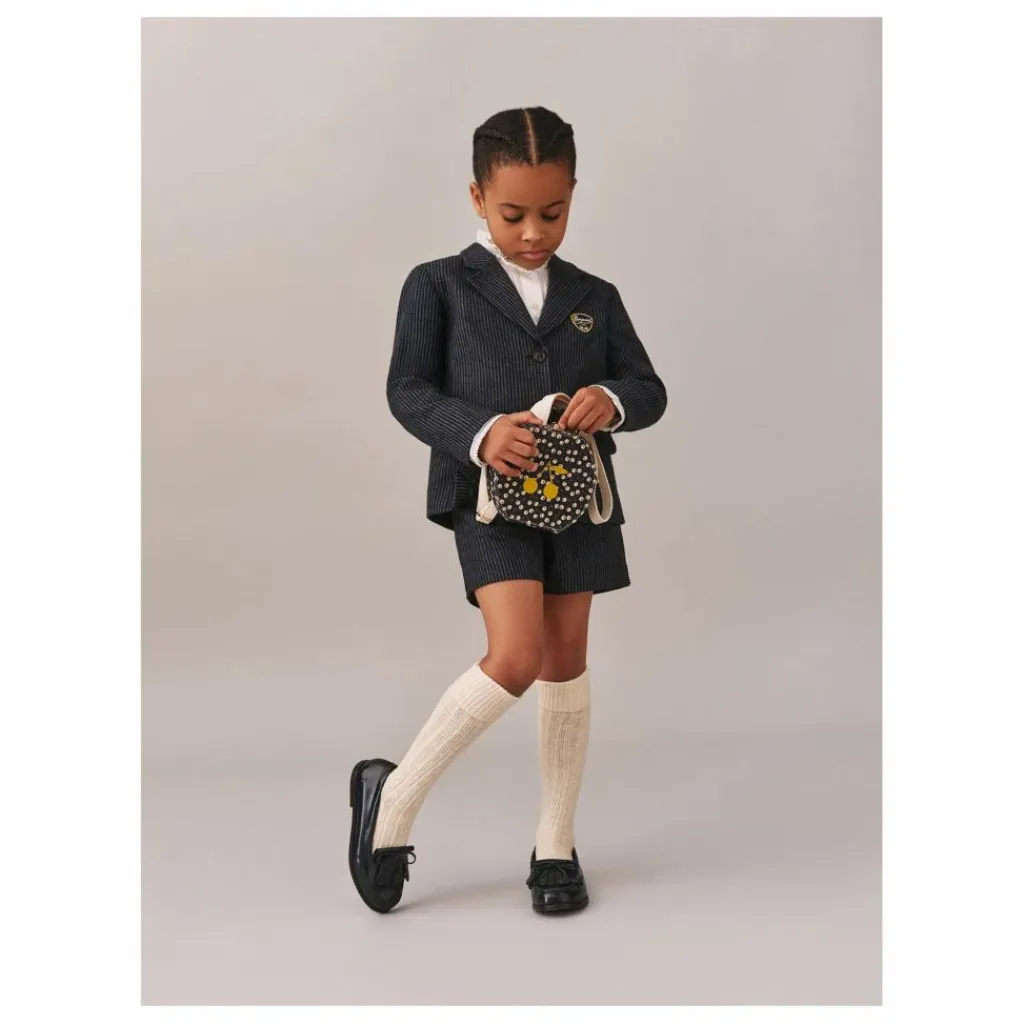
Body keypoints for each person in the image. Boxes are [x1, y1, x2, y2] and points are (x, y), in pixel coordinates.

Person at [349, 106, 667, 915]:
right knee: (516, 656)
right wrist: (480, 432)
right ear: (476, 197)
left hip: (582, 501)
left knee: (566, 661)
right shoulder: (436, 285)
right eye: (513, 213)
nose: (533, 232)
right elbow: (407, 389)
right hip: (489, 502)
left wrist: (613, 400)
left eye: (552, 213)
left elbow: (649, 388)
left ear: (573, 195)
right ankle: (392, 800)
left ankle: (555, 845)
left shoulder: (596, 296)